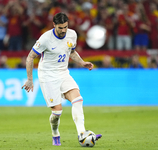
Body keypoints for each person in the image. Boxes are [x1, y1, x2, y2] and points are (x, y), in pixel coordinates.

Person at [22, 12, 102, 146]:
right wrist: (30, 79)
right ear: (54, 25)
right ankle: (55, 133)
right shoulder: (45, 39)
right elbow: (30, 57)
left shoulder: (72, 34)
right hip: (47, 75)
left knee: (77, 99)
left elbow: (71, 51)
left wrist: (82, 62)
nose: (63, 30)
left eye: (65, 27)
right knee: (57, 112)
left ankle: (82, 134)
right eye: (60, 28)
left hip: (63, 73)